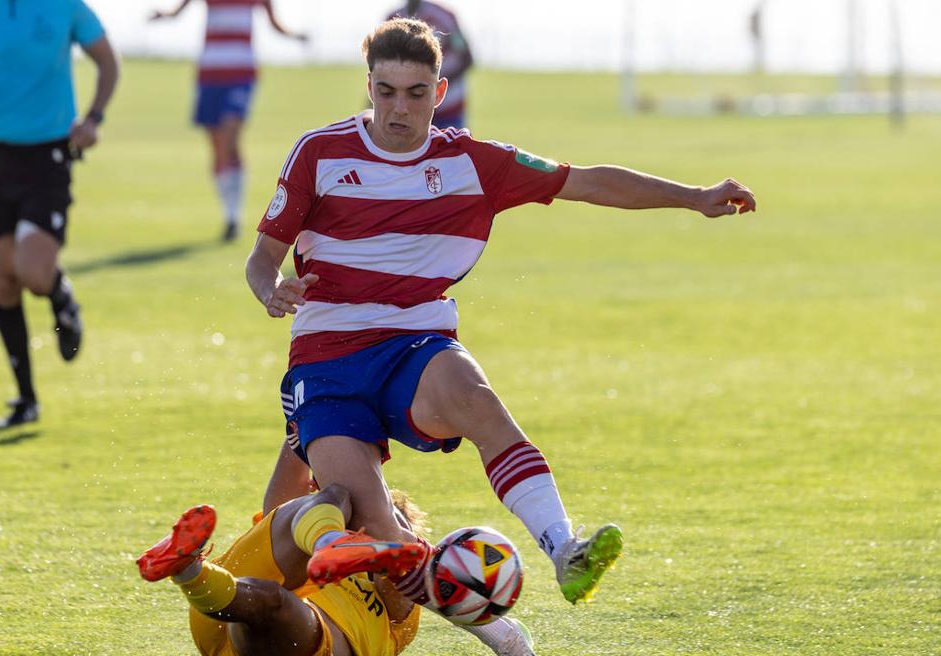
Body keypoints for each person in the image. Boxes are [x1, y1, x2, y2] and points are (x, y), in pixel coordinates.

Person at [245, 18, 756, 604]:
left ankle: (565, 549)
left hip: (415, 337)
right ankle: (505, 641)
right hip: (327, 354)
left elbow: (587, 183)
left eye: (415, 94)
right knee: (377, 529)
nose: (399, 110)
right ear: (369, 87)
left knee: (479, 401)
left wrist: (694, 198)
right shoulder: (319, 152)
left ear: (438, 93)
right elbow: (262, 261)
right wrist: (271, 289)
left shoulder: (472, 161)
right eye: (386, 92)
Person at [136, 484, 562, 656]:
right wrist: (300, 425)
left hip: (272, 653)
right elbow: (279, 511)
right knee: (328, 494)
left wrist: (514, 649)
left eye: (397, 523)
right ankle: (192, 567)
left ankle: (188, 572)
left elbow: (437, 599)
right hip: (221, 606)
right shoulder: (338, 535)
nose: (379, 527)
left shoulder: (406, 598)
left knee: (272, 600)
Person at [0, 0, 120, 428]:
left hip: (47, 155)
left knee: (31, 272)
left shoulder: (65, 6)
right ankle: (26, 399)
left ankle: (60, 295)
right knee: (3, 280)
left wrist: (93, 119)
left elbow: (107, 62)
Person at [148, 0, 308, 242]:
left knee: (230, 138)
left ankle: (235, 216)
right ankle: (229, 216)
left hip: (241, 74)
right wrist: (163, 15)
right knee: (218, 147)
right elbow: (178, 10)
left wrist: (295, 36)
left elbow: (275, 23)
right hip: (210, 73)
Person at [387, 0, 473, 129]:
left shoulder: (445, 17)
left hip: (448, 109)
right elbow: (382, 65)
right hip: (407, 110)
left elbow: (467, 58)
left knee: (452, 148)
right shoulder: (391, 19)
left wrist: (433, 85)